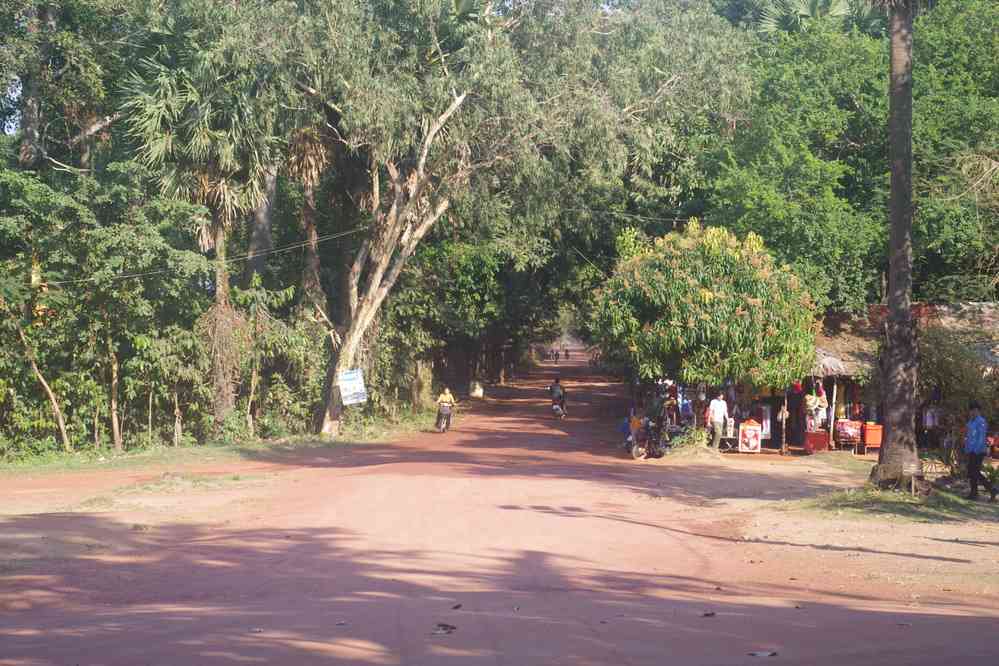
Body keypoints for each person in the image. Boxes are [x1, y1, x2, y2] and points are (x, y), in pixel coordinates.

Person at [964, 401, 995, 501]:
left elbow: (981, 437)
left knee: (975, 472)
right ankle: (974, 493)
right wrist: (967, 448)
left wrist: (976, 450)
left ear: (977, 410)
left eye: (972, 411)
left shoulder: (981, 421)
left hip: (978, 451)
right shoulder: (971, 422)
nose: (971, 413)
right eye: (970, 411)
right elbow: (969, 436)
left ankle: (992, 489)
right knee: (971, 472)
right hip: (971, 450)